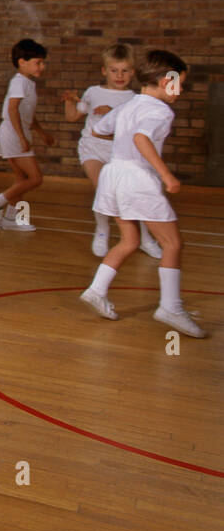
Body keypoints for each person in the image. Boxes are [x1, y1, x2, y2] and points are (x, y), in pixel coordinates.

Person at [79, 50, 204, 338]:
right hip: (136, 178)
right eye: (178, 83)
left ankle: (96, 290)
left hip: (113, 174)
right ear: (164, 80)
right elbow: (140, 138)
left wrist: (123, 136)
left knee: (130, 240)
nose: (180, 90)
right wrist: (166, 174)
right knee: (172, 243)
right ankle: (170, 307)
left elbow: (98, 130)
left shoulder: (129, 104)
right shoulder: (160, 110)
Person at [61, 44, 158, 258]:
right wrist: (69, 102)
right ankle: (102, 230)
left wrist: (113, 112)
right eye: (114, 70)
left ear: (132, 72)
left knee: (132, 194)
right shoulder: (93, 92)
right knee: (104, 187)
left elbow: (134, 131)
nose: (119, 75)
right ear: (105, 71)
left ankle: (145, 238)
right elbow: (72, 117)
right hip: (92, 148)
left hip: (120, 153)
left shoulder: (134, 98)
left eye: (125, 71)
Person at [0, 38, 54, 232]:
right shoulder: (19, 82)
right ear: (22, 62)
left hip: (18, 134)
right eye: (38, 62)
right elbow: (12, 109)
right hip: (12, 135)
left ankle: (14, 219)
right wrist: (21, 138)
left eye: (42, 62)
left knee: (21, 180)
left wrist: (40, 132)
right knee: (35, 178)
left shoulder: (28, 83)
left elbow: (26, 113)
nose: (42, 67)